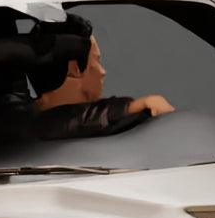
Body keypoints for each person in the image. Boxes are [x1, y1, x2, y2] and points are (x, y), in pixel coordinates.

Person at [16, 14, 175, 140]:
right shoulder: (34, 125)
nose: (102, 71)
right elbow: (64, 121)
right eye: (96, 62)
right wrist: (138, 105)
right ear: (75, 67)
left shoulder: (18, 115)